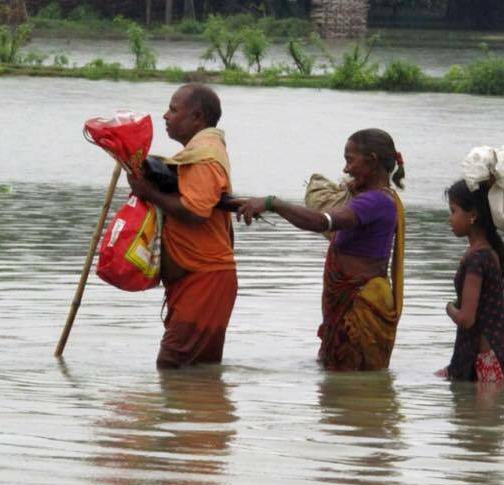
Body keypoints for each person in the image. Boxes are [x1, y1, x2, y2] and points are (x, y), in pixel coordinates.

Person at [236, 129, 405, 371]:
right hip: (353, 302)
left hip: (360, 306)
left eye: (350, 160)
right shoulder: (375, 198)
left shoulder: (374, 202)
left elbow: (319, 223)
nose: (345, 169)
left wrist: (273, 203)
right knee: (344, 387)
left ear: (373, 160)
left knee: (351, 386)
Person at [127, 84, 237, 369]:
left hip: (205, 277)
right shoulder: (197, 154)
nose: (165, 116)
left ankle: (193, 411)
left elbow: (196, 210)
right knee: (198, 370)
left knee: (172, 364)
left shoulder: (204, 155)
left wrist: (148, 192)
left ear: (197, 117)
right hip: (196, 276)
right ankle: (200, 410)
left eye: (173, 110)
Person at [437, 179, 504, 383]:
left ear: (473, 215)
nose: (450, 219)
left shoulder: (477, 259)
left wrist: (449, 307)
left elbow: (467, 319)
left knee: (473, 415)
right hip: (503, 355)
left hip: (490, 361)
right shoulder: (486, 252)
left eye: (453, 211)